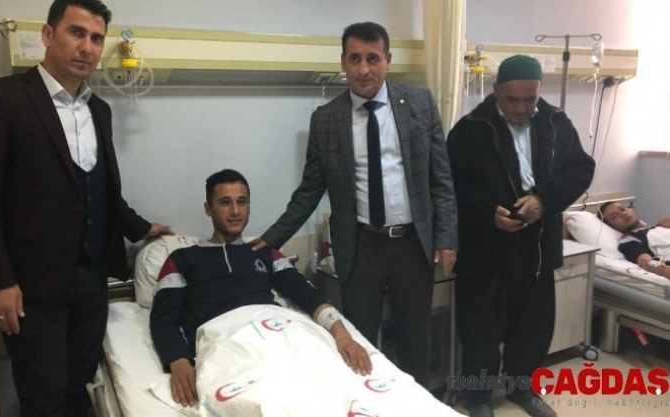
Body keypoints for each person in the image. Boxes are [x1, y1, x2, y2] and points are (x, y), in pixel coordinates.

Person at [0, 1, 172, 415]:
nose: (87, 47)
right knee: (42, 397)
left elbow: (101, 188)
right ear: (48, 35)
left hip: (91, 280)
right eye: (76, 32)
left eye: (96, 38)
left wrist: (142, 228)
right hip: (31, 287)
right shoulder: (1, 99)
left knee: (78, 385)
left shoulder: (99, 110)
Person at [250, 21, 458, 386]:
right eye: (355, 59)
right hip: (360, 249)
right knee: (359, 342)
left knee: (416, 340)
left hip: (413, 245)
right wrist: (271, 239)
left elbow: (440, 177)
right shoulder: (326, 120)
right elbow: (309, 191)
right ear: (343, 61)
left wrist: (447, 238)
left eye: (373, 58)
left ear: (387, 60)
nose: (364, 69)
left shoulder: (419, 104)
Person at [446, 55, 595, 417]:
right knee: (480, 330)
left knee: (532, 327)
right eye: (512, 99)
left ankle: (522, 389)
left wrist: (543, 200)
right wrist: (488, 213)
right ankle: (478, 398)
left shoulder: (556, 123)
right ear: (496, 91)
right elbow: (451, 186)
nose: (521, 108)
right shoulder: (470, 130)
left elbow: (581, 168)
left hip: (536, 245)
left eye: (530, 99)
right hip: (486, 246)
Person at [149, 169, 372, 407]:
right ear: (208, 208)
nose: (235, 211)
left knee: (324, 387)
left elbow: (306, 294)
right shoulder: (182, 259)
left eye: (242, 202)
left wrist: (341, 334)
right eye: (225, 202)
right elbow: (163, 316)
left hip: (275, 331)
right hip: (225, 341)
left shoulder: (265, 253)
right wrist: (178, 361)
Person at [599, 201, 670, 279]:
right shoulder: (629, 240)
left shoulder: (656, 228)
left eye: (622, 209)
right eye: (615, 216)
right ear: (611, 226)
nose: (623, 214)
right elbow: (647, 263)